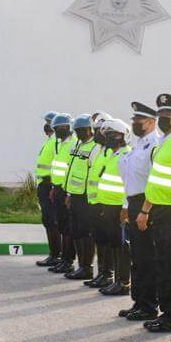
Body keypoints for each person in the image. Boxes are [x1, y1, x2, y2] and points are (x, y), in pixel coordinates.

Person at [138, 94, 171, 333]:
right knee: (163, 265)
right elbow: (156, 182)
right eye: (161, 116)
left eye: (168, 116)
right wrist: (145, 210)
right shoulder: (163, 143)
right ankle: (165, 313)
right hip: (158, 210)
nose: (163, 120)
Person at [117, 102, 161, 320]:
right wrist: (127, 205)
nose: (134, 123)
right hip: (134, 202)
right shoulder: (139, 144)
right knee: (137, 256)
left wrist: (145, 210)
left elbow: (154, 182)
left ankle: (149, 305)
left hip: (147, 204)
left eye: (139, 120)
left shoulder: (154, 145)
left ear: (151, 122)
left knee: (147, 258)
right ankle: (138, 301)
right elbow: (130, 179)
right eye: (133, 120)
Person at [96, 119, 134, 296]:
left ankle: (123, 282)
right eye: (108, 135)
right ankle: (117, 280)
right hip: (109, 205)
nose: (109, 138)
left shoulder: (126, 156)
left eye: (113, 135)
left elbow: (130, 185)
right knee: (114, 243)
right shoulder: (114, 154)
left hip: (120, 207)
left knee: (121, 246)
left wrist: (125, 207)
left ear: (123, 136)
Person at [62, 114, 97, 280]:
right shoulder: (77, 144)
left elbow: (93, 174)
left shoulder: (94, 147)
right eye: (77, 130)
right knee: (75, 231)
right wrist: (68, 193)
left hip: (85, 197)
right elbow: (72, 169)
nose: (79, 133)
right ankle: (80, 266)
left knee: (85, 232)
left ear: (90, 130)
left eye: (82, 130)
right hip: (74, 195)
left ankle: (87, 267)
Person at [85, 114, 115, 288]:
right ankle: (101, 272)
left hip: (105, 203)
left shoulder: (110, 151)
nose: (97, 134)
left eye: (100, 131)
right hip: (94, 201)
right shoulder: (98, 149)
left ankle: (108, 274)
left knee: (107, 240)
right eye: (96, 130)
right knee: (99, 239)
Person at [48, 113, 77, 274]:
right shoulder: (60, 144)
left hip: (67, 190)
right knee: (62, 225)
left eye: (60, 128)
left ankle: (68, 260)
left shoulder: (73, 144)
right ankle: (64, 260)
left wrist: (69, 193)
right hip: (58, 188)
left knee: (68, 227)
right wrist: (53, 187)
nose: (58, 131)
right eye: (56, 128)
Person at [35, 112, 61, 267]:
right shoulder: (50, 141)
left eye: (49, 122)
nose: (46, 124)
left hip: (49, 185)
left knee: (52, 221)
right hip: (44, 185)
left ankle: (55, 255)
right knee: (48, 221)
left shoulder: (56, 142)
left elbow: (57, 166)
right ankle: (54, 253)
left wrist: (52, 186)